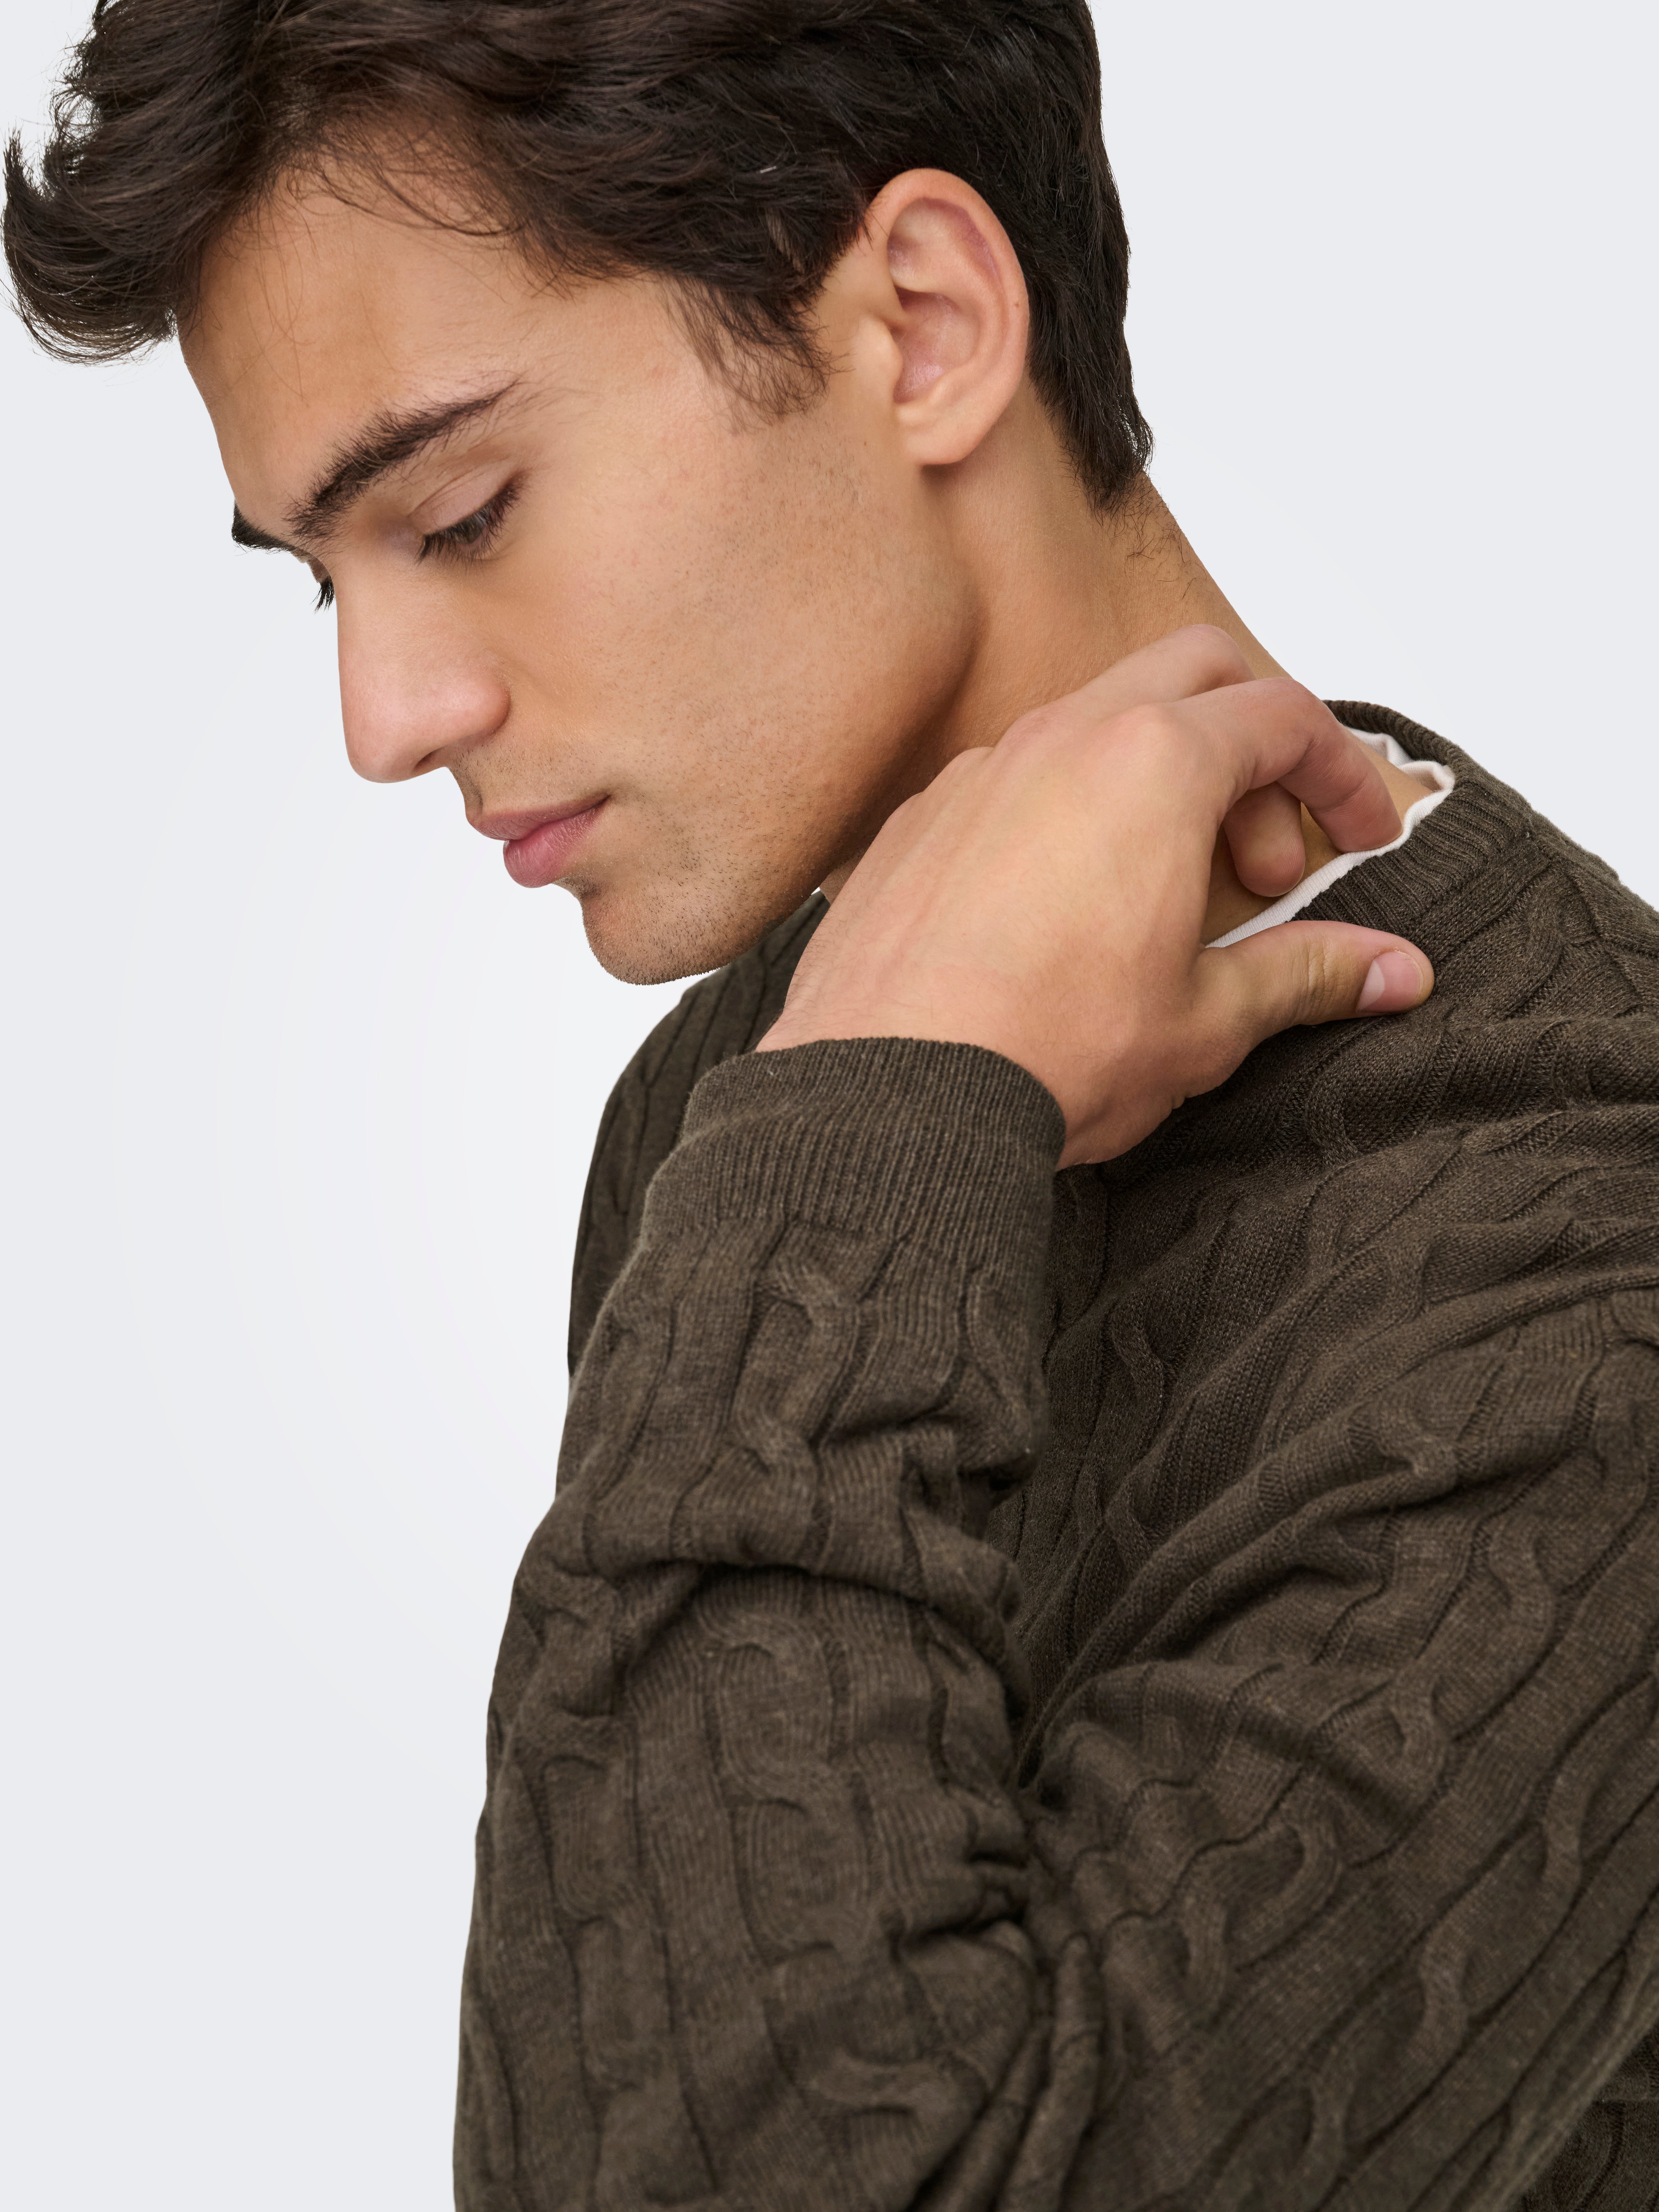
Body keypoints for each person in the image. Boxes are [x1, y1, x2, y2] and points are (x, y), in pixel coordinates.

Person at [8, 2, 1658, 2206]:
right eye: (326, 575)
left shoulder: (1591, 1277)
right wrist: (881, 1109)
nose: (380, 716)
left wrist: (874, 1130)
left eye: (464, 513)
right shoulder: (758, 1098)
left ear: (929, 325)